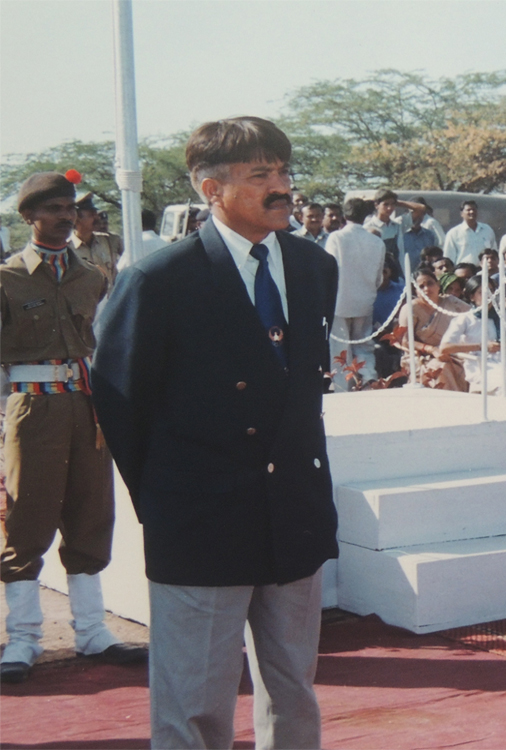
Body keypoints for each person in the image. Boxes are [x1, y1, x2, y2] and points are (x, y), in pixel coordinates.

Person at [90, 117, 339, 749]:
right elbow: (122, 406)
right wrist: (174, 501)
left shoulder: (313, 266)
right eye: (261, 176)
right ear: (210, 189)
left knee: (294, 692)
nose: (281, 186)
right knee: (195, 703)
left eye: (284, 171)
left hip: (293, 512)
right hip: (202, 520)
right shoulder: (158, 281)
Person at [0, 172, 148, 685]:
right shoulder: (8, 279)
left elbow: (105, 345)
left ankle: (91, 631)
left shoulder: (92, 277)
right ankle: (23, 638)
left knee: (91, 515)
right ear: (29, 217)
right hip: (31, 410)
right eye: (55, 209)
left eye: (70, 209)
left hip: (87, 410)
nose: (66, 217)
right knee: (26, 519)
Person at [326, 197, 386, 391]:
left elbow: (329, 269)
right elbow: (379, 278)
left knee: (340, 348)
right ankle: (369, 379)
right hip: (364, 300)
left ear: (344, 215)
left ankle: (344, 387)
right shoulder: (377, 242)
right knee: (363, 344)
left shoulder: (336, 238)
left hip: (339, 301)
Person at [394, 267, 470, 390]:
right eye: (421, 286)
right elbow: (405, 341)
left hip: (455, 352)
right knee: (441, 369)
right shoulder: (410, 308)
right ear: (416, 290)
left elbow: (476, 316)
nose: (427, 289)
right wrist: (432, 350)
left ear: (438, 285)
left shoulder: (451, 302)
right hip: (423, 355)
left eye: (430, 283)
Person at [69, 192, 123, 287]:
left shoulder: (111, 240)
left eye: (95, 214)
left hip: (110, 300)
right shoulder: (67, 247)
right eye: (91, 215)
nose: (97, 217)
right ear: (76, 218)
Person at [443, 200, 496, 266]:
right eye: (468, 210)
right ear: (461, 214)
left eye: (474, 209)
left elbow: (494, 251)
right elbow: (448, 257)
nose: (472, 212)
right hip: (464, 272)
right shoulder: (453, 233)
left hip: (484, 270)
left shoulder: (487, 229)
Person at [399, 205, 439, 273]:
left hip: (426, 275)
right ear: (406, 215)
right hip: (404, 275)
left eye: (421, 214)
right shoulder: (400, 234)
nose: (417, 217)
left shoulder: (430, 235)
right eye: (414, 214)